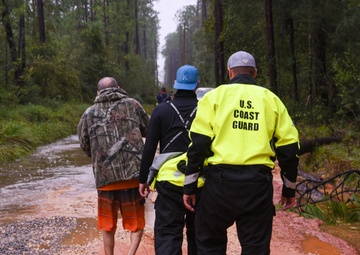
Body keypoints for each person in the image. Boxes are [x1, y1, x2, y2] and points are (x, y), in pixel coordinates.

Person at [183, 51, 300, 255]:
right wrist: (289, 189)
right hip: (257, 186)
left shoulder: (214, 97)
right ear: (254, 73)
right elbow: (289, 148)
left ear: (230, 73)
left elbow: (198, 145)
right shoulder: (270, 99)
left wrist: (189, 186)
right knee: (256, 248)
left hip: (219, 185)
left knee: (210, 243)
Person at [77, 77, 149, 255]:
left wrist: (99, 160)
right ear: (119, 88)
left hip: (106, 179)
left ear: (98, 92)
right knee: (137, 222)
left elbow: (84, 142)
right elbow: (148, 129)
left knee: (108, 225)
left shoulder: (89, 113)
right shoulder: (133, 105)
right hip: (134, 177)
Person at [139, 65, 203, 255]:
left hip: (168, 183)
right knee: (199, 234)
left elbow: (149, 148)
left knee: (168, 234)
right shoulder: (206, 110)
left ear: (175, 84)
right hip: (200, 180)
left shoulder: (161, 111)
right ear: (197, 85)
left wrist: (144, 179)